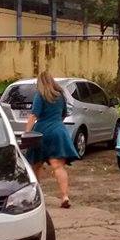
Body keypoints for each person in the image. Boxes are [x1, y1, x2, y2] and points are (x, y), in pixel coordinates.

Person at [25, 72, 79, 208]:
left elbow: (33, 116)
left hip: (41, 132)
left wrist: (27, 133)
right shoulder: (60, 96)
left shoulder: (40, 95)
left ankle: (38, 195)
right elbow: (63, 114)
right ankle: (65, 196)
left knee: (35, 165)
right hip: (58, 132)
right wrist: (56, 124)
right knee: (58, 166)